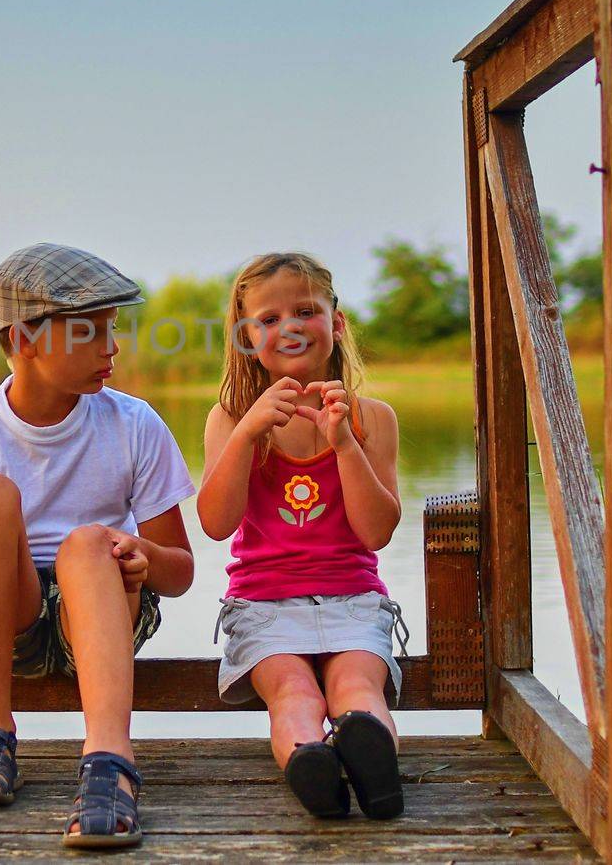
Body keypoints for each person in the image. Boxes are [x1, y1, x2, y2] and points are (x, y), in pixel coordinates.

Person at [0, 242, 196, 849]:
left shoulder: (134, 424)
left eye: (111, 329)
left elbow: (181, 571)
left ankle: (109, 760)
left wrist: (144, 557)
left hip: (103, 614)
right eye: (88, 332)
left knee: (87, 542)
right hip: (4, 631)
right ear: (21, 341)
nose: (111, 347)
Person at [197, 251, 408, 820]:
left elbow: (376, 532)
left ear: (336, 323)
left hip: (352, 598)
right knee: (294, 691)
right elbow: (216, 524)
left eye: (305, 311)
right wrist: (246, 436)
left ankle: (366, 759)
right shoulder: (230, 417)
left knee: (356, 688)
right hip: (263, 606)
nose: (287, 327)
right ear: (247, 338)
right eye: (267, 320)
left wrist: (345, 445)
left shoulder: (373, 419)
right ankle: (313, 763)